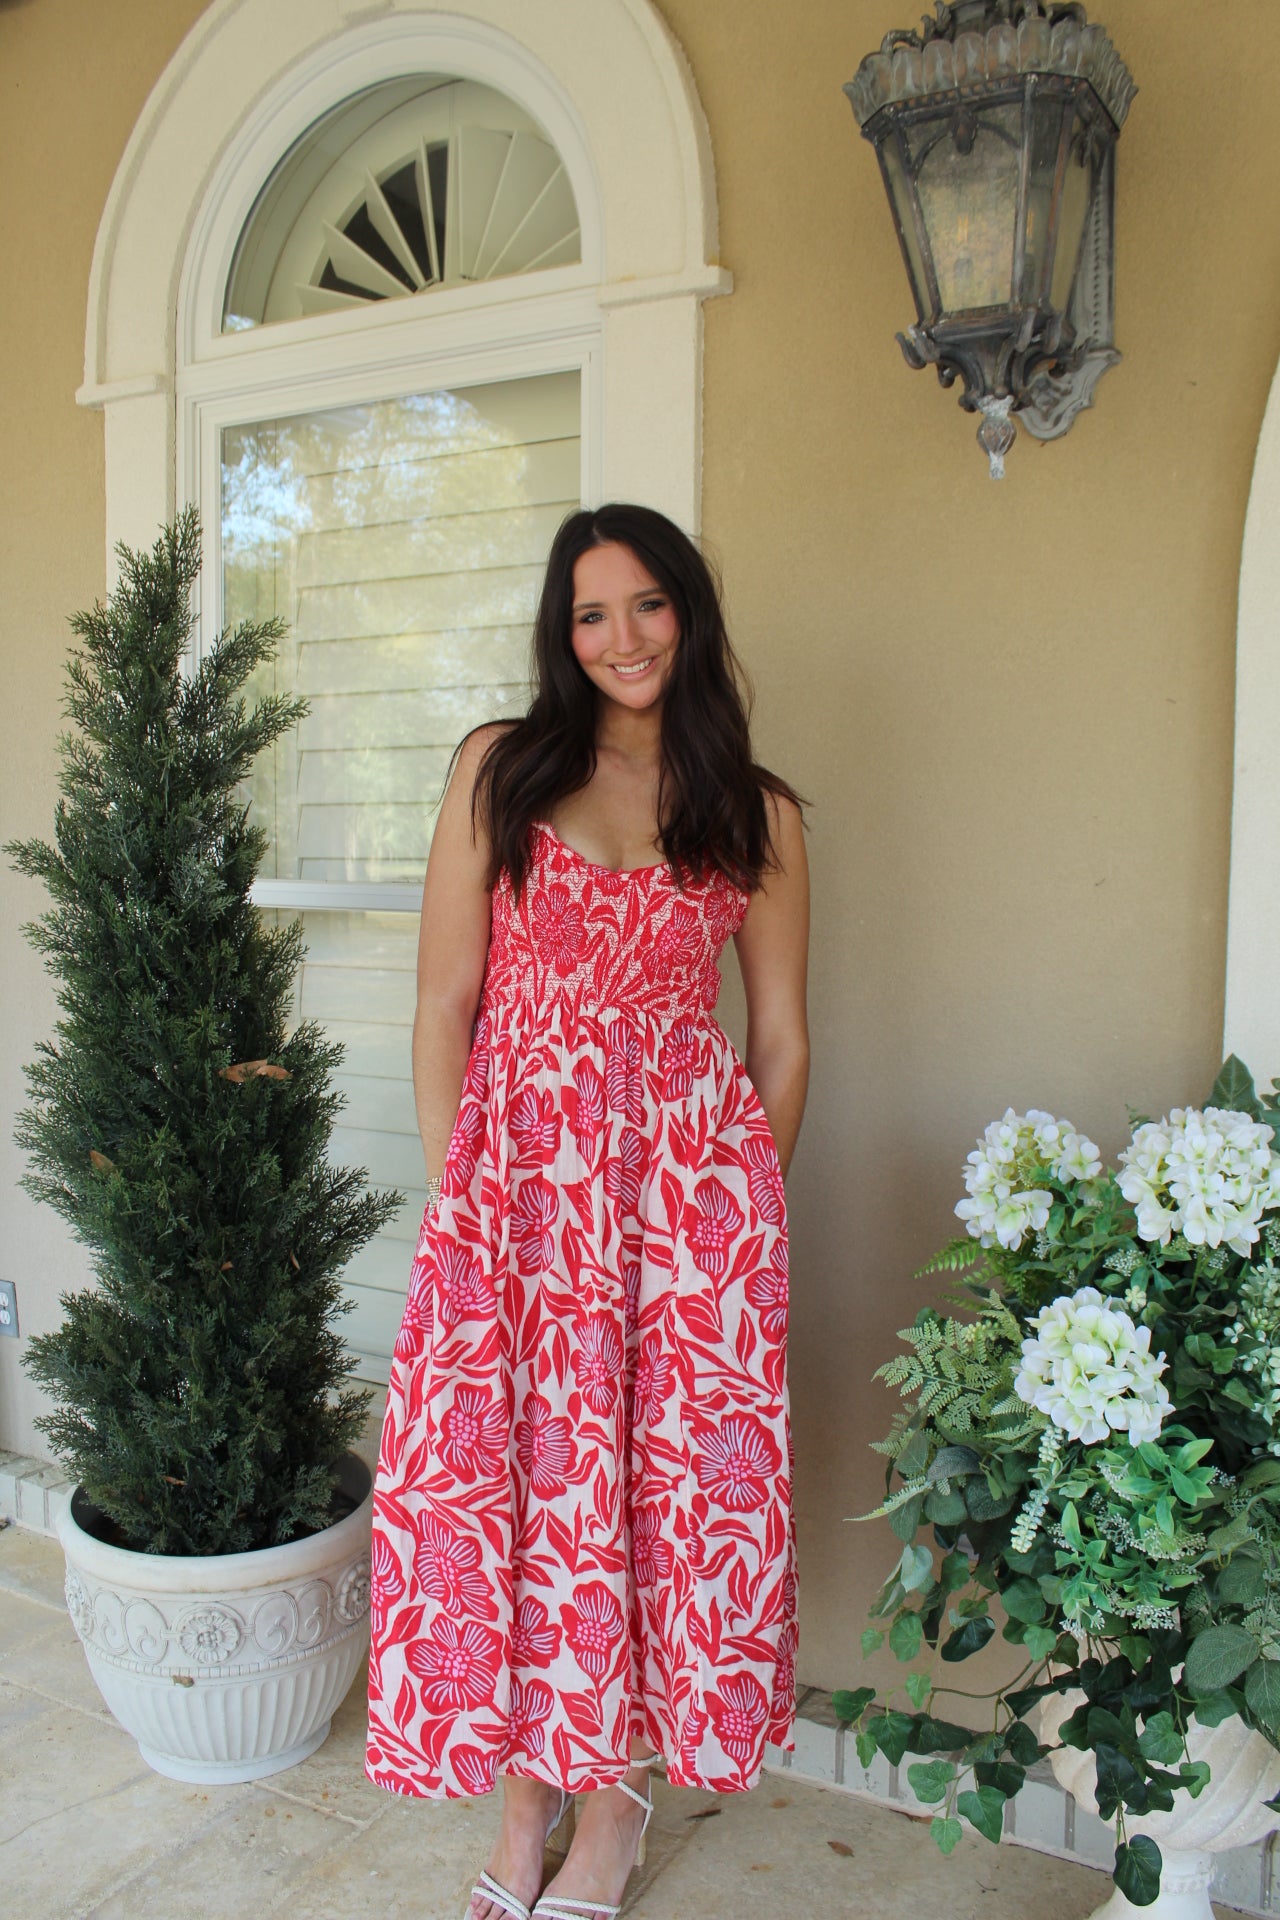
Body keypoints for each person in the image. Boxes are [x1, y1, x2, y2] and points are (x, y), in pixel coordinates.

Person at [365, 502, 810, 1920]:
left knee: (649, 1511)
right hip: (516, 1212)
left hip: (687, 1233)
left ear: (691, 610)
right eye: (590, 615)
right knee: (516, 1501)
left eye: (648, 605)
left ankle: (611, 1827)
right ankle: (518, 1825)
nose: (623, 638)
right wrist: (466, 1198)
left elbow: (783, 1038)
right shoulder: (503, 769)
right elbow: (444, 1003)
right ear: (564, 637)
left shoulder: (761, 811)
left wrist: (737, 1209)